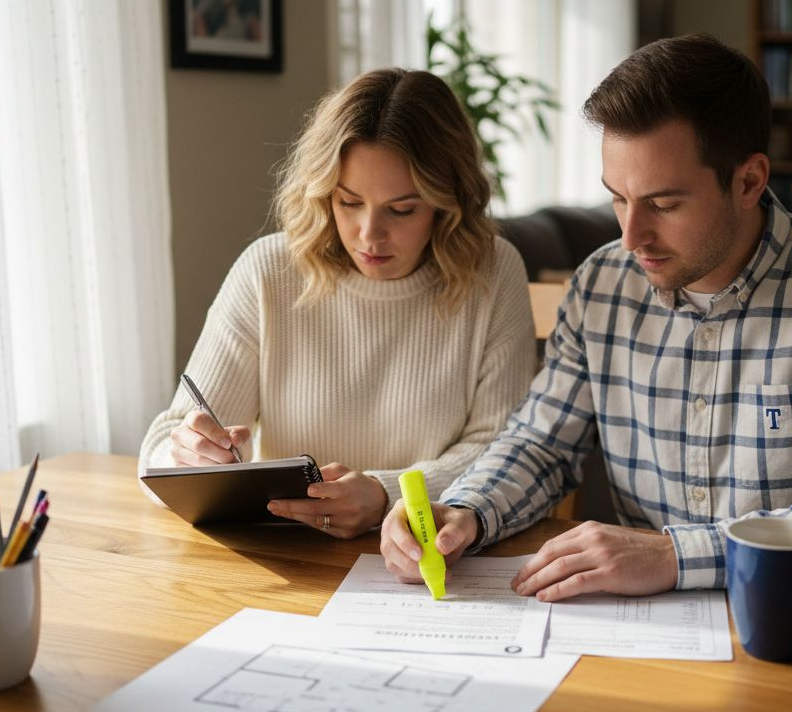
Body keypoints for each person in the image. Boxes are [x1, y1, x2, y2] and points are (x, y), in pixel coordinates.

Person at [381, 34, 792, 599]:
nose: (631, 237)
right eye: (617, 198)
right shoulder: (601, 284)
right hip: (643, 627)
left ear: (749, 182)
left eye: (664, 204)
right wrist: (467, 510)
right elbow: (541, 443)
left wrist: (676, 555)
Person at [139, 68, 535, 538]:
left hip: (427, 550)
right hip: (288, 553)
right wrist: (187, 456)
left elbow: (502, 450)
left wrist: (385, 496)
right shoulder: (269, 271)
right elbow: (161, 449)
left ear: (449, 203)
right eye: (348, 202)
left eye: (402, 209)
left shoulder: (493, 272)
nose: (369, 234)